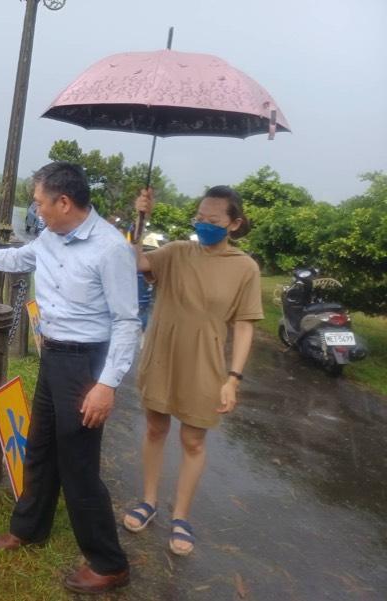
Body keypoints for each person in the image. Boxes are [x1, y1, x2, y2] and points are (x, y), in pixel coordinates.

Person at [0, 162, 139, 594]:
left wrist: (106, 385)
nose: (36, 211)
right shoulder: (51, 237)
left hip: (86, 363)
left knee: (79, 466)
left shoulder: (111, 249)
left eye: (39, 202)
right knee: (40, 448)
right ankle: (29, 528)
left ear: (63, 202)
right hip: (53, 355)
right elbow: (15, 257)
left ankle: (109, 562)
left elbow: (128, 321)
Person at [123, 186, 263, 556]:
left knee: (194, 440)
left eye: (214, 220)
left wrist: (233, 378)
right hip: (161, 354)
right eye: (200, 217)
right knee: (155, 428)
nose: (204, 225)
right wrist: (140, 218)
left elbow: (245, 324)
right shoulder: (176, 253)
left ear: (234, 224)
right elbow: (135, 262)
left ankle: (181, 516)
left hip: (206, 363)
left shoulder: (245, 268)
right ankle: (149, 500)